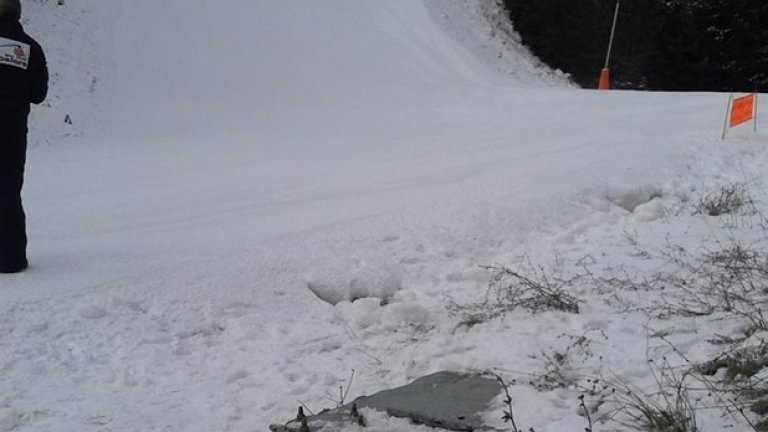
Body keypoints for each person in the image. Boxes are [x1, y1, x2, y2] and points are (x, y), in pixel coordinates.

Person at [0, 0, 48, 273]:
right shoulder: (31, 47)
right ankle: (11, 259)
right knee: (7, 191)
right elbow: (39, 94)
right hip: (12, 129)